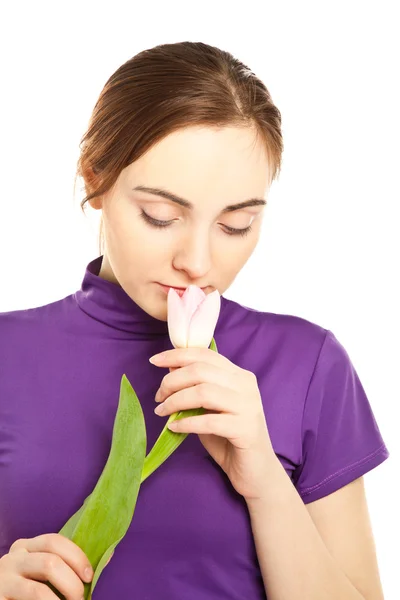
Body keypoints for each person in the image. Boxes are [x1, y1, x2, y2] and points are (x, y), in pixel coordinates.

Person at [0, 41, 389, 599]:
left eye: (235, 224)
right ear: (96, 178)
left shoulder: (308, 365)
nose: (199, 263)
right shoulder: (8, 354)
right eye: (161, 217)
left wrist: (264, 484)